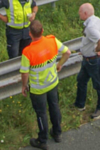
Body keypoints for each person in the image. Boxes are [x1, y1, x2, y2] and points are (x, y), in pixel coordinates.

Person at [20, 20, 70, 149]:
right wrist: (59, 65)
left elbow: (25, 73)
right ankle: (57, 133)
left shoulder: (28, 52)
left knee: (41, 114)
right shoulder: (52, 40)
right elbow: (67, 52)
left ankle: (42, 141)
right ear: (42, 31)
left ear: (30, 34)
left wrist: (24, 86)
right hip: (52, 82)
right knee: (54, 107)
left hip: (38, 89)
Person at [74, 3, 100, 118]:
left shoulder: (90, 27)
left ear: (85, 13)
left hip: (94, 60)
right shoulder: (95, 20)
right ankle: (80, 104)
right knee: (81, 80)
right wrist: (85, 51)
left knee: (98, 84)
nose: (78, 14)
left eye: (80, 12)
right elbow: (91, 40)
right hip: (88, 59)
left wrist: (96, 50)